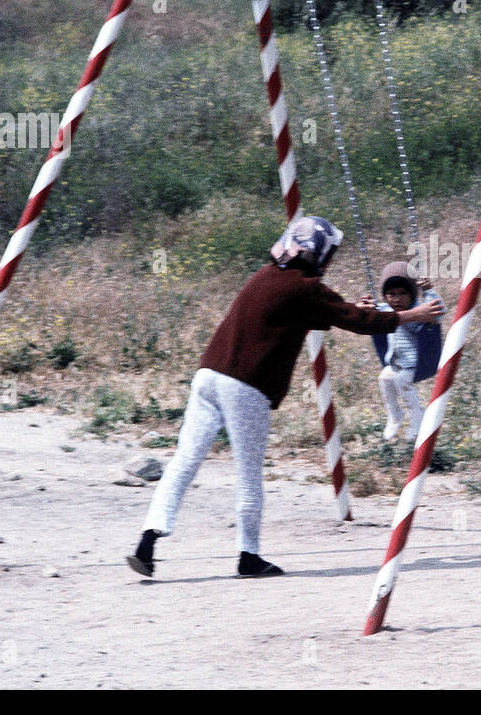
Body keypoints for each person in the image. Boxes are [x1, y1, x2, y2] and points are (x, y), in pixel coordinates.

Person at [126, 216, 444, 579]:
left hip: (208, 375)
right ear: (320, 254)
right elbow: (357, 321)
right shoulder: (306, 287)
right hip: (246, 386)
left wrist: (361, 310)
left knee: (184, 461)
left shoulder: (265, 275)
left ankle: (148, 541)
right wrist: (413, 314)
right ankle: (249, 555)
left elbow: (333, 315)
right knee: (248, 474)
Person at [359, 261, 444, 442]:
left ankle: (418, 418)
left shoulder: (420, 310)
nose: (396, 299)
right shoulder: (385, 310)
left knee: (402, 384)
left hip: (415, 363)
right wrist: (367, 306)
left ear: (412, 293)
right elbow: (368, 316)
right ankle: (395, 416)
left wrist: (429, 291)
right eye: (391, 294)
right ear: (385, 296)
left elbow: (439, 312)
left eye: (402, 293)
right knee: (384, 378)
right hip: (395, 363)